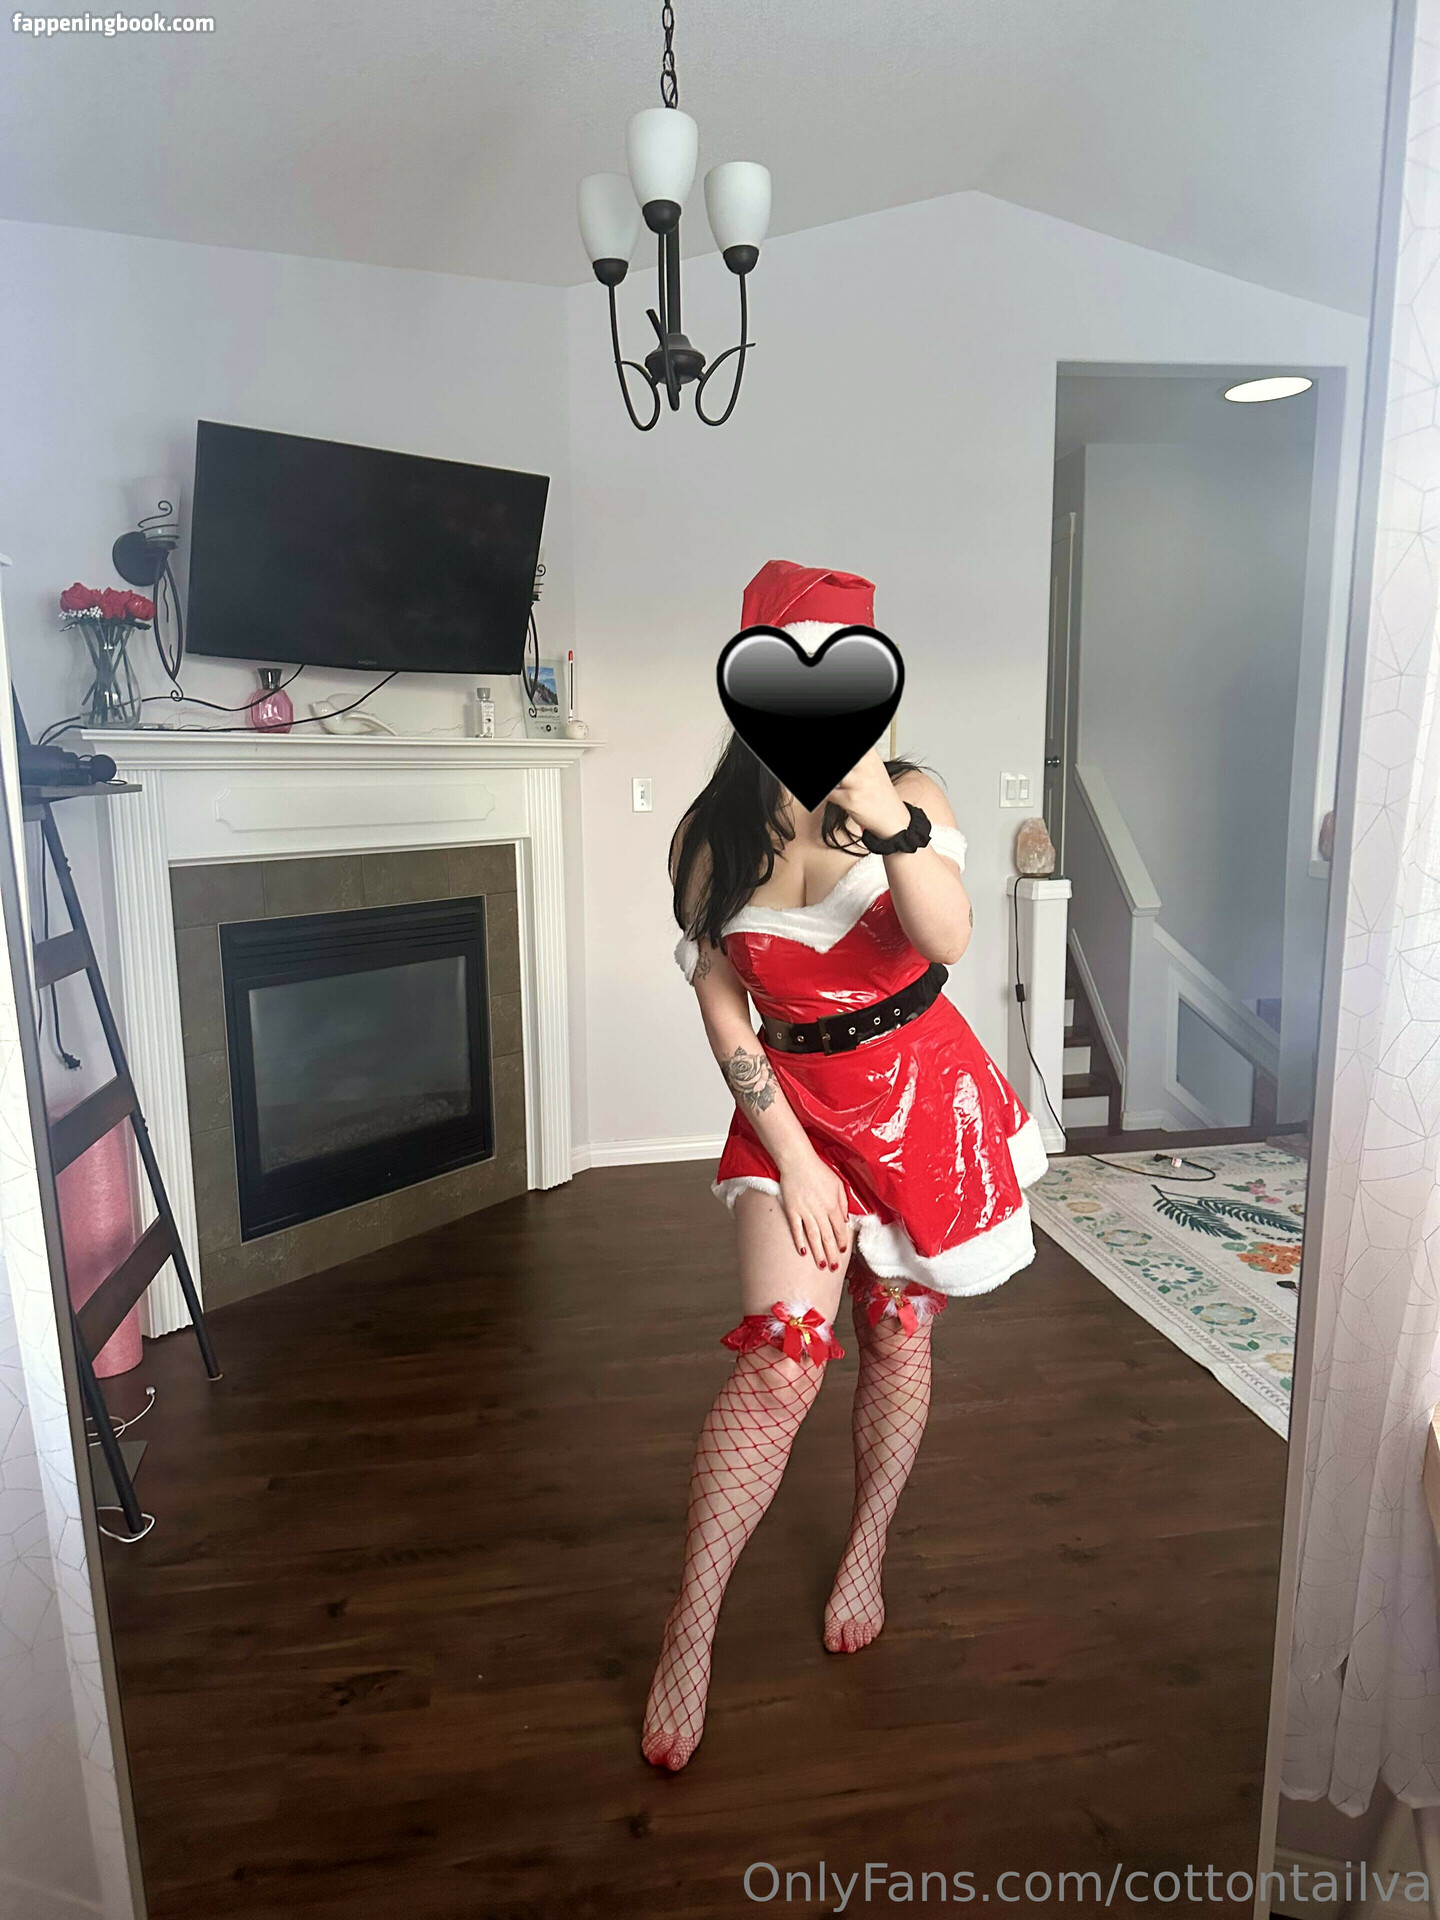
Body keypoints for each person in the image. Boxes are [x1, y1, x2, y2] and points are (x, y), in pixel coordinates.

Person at [642, 560, 1047, 1772]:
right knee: (780, 1367)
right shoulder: (711, 834)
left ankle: (866, 1549)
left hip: (923, 1101)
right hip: (795, 1112)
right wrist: (794, 1158)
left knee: (900, 1336)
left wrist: (884, 807)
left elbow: (947, 936)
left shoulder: (907, 791)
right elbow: (723, 1002)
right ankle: (689, 1630)